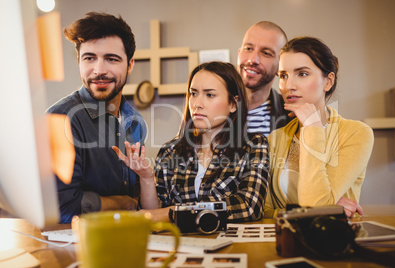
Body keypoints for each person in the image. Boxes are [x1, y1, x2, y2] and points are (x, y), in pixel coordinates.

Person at [113, 61, 269, 222]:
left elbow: (249, 206)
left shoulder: (253, 145)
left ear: (233, 104)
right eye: (193, 93)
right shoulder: (170, 151)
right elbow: (153, 215)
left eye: (210, 95)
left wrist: (173, 212)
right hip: (180, 245)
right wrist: (146, 179)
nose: (197, 104)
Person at [47, 12, 147, 223]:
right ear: (79, 62)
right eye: (89, 58)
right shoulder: (61, 119)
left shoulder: (136, 122)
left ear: (130, 65)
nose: (99, 70)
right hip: (75, 250)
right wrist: (124, 203)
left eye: (111, 59)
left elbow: (139, 194)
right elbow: (62, 209)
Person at [264, 37, 374, 218]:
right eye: (283, 76)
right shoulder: (274, 138)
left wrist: (312, 128)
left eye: (302, 73)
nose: (288, 86)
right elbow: (263, 211)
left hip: (333, 242)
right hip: (282, 241)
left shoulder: (356, 133)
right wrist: (324, 207)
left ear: (328, 81)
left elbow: (314, 206)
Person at [237, 21, 291, 137]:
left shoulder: (292, 116)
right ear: (239, 53)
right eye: (248, 48)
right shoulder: (212, 107)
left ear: (280, 66)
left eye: (266, 53)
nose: (253, 60)